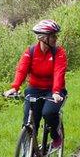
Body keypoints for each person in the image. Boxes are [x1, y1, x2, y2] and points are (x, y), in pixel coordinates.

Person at [4, 19, 67, 149]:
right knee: (29, 122)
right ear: (43, 38)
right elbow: (21, 70)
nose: (56, 38)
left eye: (56, 35)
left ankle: (56, 135)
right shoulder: (31, 52)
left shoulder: (59, 52)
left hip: (53, 90)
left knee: (48, 113)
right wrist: (14, 88)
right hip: (34, 89)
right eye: (53, 36)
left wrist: (56, 92)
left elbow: (58, 72)